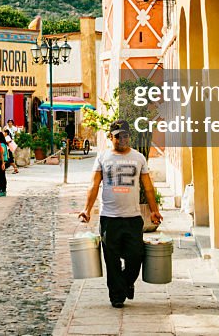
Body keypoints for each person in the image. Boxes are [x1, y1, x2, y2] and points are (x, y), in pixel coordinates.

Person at [78, 120, 163, 309]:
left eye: (125, 135)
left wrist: (154, 210)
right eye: (118, 136)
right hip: (109, 218)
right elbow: (94, 185)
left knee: (136, 257)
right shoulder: (102, 157)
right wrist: (87, 209)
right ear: (111, 137)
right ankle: (117, 296)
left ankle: (126, 283)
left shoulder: (139, 158)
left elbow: (148, 187)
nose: (122, 139)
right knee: (112, 259)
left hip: (133, 218)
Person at [0, 131, 9, 197]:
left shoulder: (1, 145)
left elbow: (1, 153)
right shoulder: (3, 144)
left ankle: (3, 190)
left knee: (1, 176)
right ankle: (1, 189)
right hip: (2, 161)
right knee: (0, 176)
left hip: (2, 161)